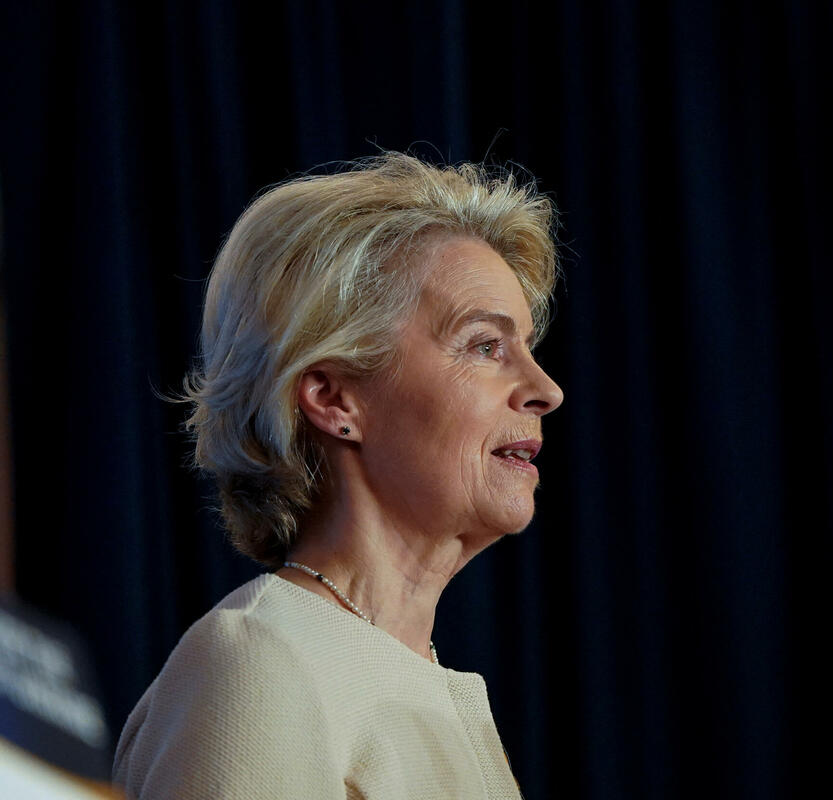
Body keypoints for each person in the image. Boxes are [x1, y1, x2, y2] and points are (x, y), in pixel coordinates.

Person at [113, 153, 564, 799]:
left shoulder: (401, 671)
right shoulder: (261, 659)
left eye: (527, 348)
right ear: (334, 398)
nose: (546, 390)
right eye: (485, 346)